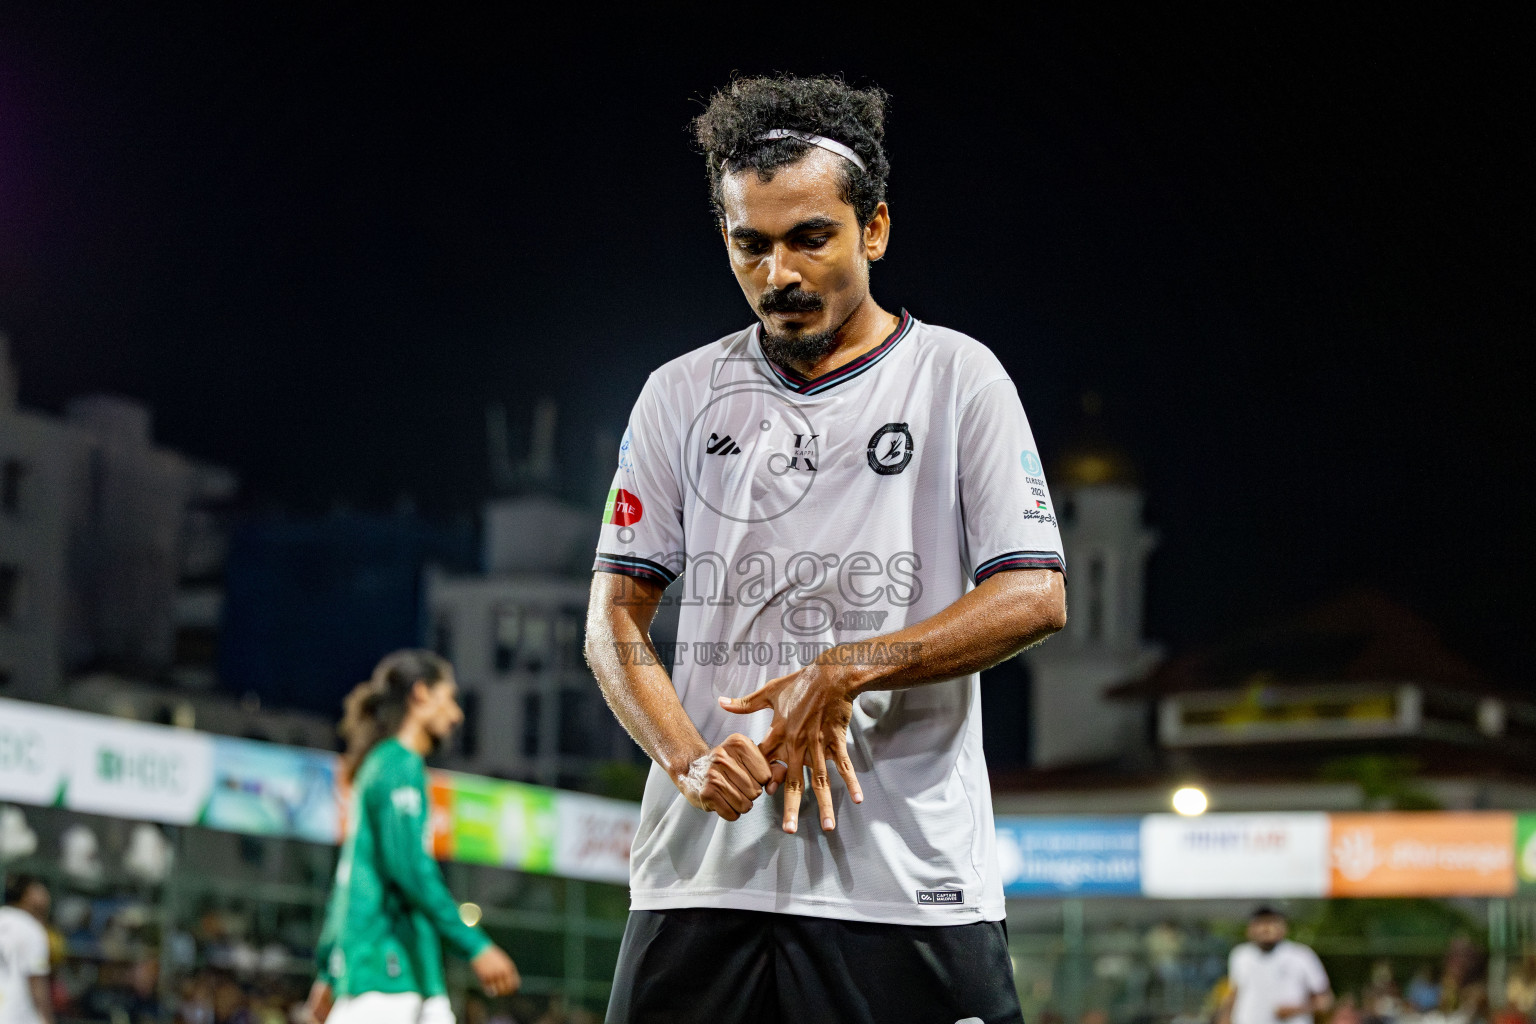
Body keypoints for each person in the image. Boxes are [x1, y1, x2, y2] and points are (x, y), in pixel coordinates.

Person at [585, 74, 1068, 1024]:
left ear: (874, 230)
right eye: (751, 245)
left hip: (903, 878)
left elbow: (1035, 593)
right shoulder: (678, 394)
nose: (780, 274)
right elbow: (613, 623)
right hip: (702, 880)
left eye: (811, 237)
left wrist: (849, 667)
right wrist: (684, 759)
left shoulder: (957, 377)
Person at [304, 650, 519, 1024]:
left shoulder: (390, 765)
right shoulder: (395, 766)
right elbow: (410, 870)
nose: (457, 715)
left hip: (410, 976)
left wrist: (327, 969)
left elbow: (350, 877)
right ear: (421, 695)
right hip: (386, 972)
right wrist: (476, 945)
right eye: (449, 698)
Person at [1218, 907, 1334, 1024]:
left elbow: (1326, 1000)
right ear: (1250, 929)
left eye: (1272, 922)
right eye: (1261, 923)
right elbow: (1235, 992)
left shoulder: (1301, 955)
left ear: (1284, 928)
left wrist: (1296, 1010)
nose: (1266, 929)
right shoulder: (1241, 955)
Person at [0, 874, 53, 1024]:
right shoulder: (31, 927)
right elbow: (36, 981)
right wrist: (47, 1019)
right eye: (39, 889)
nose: (45, 895)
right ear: (27, 895)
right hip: (17, 1016)